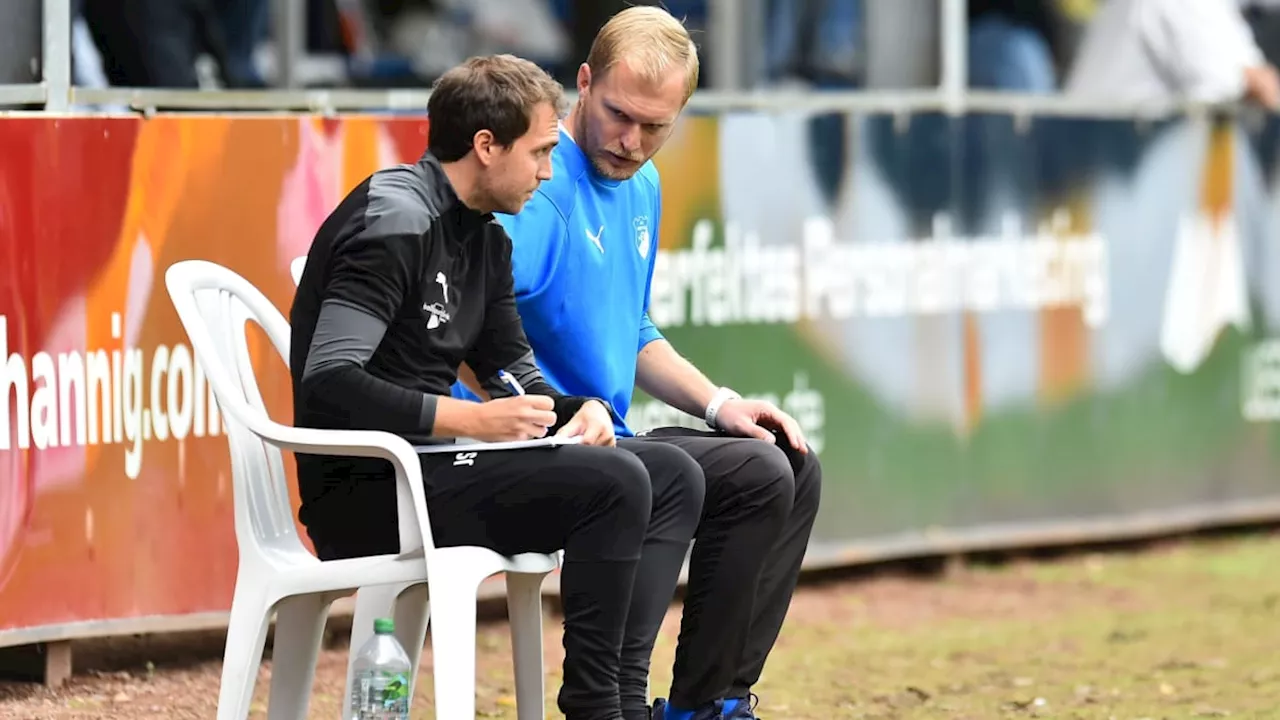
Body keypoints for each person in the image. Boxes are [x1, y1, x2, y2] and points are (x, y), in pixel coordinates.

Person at [289, 54, 703, 720]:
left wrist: (582, 411)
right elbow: (330, 383)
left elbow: (515, 374)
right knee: (617, 484)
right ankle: (595, 707)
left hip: (439, 471)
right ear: (487, 146)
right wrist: (471, 421)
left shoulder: (485, 238)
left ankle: (622, 698)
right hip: (367, 492)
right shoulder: (393, 219)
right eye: (540, 151)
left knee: (673, 472)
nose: (548, 170)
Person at [453, 9, 823, 720]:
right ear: (584, 83)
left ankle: (709, 703)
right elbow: (472, 317)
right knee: (689, 474)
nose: (631, 141)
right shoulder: (539, 186)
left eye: (655, 127)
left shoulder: (643, 185)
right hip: (541, 449)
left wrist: (719, 405)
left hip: (608, 438)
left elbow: (634, 329)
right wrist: (537, 413)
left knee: (786, 462)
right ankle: (617, 702)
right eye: (620, 114)